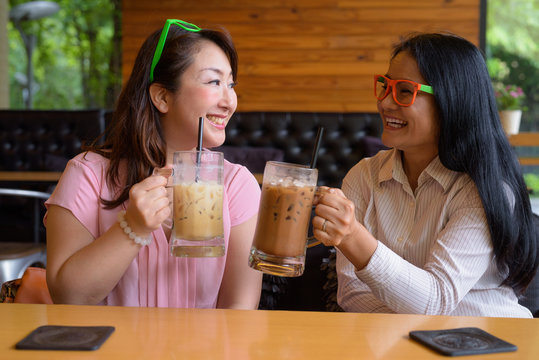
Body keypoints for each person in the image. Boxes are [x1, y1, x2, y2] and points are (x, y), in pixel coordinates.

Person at [312, 32, 538, 317]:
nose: (385, 103)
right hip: (399, 345)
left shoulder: (483, 189)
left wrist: (353, 236)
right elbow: (352, 294)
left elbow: (436, 300)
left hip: (488, 343)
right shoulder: (363, 177)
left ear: (452, 101)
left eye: (405, 91)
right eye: (385, 86)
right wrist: (411, 322)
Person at [44, 19, 263, 308]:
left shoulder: (237, 186)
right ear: (162, 96)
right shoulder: (87, 174)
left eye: (231, 84)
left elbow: (240, 312)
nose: (229, 101)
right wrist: (132, 227)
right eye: (214, 82)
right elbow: (67, 296)